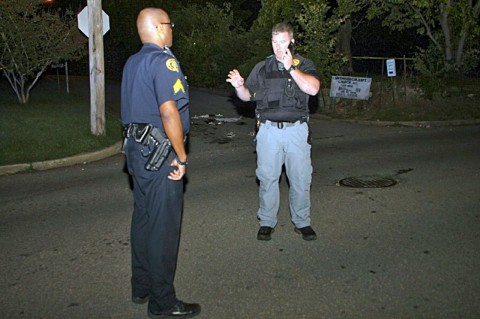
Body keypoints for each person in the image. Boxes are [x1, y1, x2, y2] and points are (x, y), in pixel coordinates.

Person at [121, 8, 201, 319]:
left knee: (142, 220)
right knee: (163, 230)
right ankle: (163, 302)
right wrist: (181, 157)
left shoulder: (133, 61)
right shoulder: (164, 60)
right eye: (169, 24)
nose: (172, 29)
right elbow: (169, 112)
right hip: (161, 155)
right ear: (157, 27)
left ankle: (140, 287)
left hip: (137, 153)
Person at [226, 22, 320, 241]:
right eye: (274, 42)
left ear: (292, 41)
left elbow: (313, 89)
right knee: (267, 178)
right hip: (268, 131)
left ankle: (302, 222)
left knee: (300, 179)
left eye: (283, 42)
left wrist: (291, 68)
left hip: (296, 131)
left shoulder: (304, 64)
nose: (278, 47)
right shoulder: (262, 67)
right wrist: (240, 86)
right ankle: (267, 221)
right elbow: (247, 96)